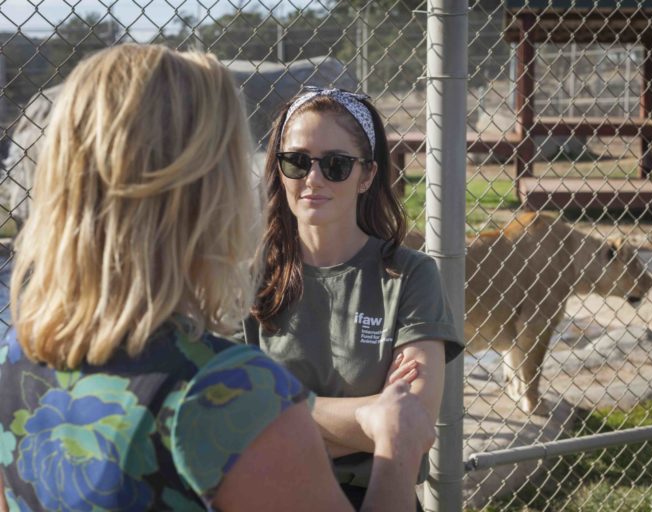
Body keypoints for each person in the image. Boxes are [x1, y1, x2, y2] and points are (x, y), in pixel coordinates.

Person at [0, 44, 436, 512]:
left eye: (335, 164)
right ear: (209, 189)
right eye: (289, 160)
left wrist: (306, 412)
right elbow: (402, 415)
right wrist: (394, 443)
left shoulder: (19, 362)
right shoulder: (230, 395)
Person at [245, 87, 464, 509]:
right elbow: (231, 423)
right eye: (297, 161)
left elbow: (410, 423)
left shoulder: (410, 276)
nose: (313, 179)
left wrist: (276, 415)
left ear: (366, 175)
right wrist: (371, 417)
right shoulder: (248, 279)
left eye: (336, 165)